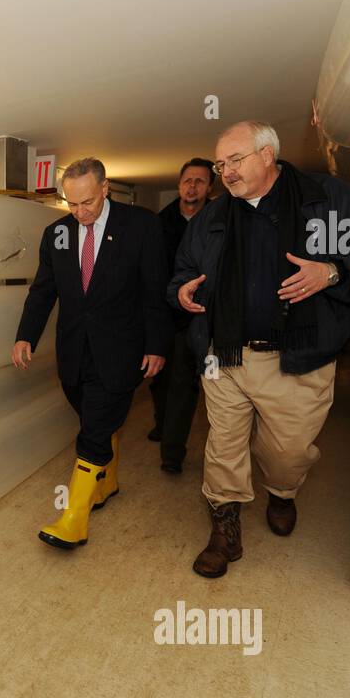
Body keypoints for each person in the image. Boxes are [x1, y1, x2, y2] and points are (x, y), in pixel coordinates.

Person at [167, 121, 350, 577]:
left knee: (287, 452)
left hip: (298, 358)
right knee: (224, 443)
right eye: (220, 164)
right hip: (224, 354)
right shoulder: (212, 217)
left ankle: (282, 492)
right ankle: (224, 525)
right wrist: (181, 292)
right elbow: (183, 270)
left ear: (268, 155)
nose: (225, 172)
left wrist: (330, 273)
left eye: (235, 160)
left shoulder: (325, 198)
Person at [12, 157, 170, 549]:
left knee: (95, 427)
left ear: (105, 188)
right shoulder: (57, 234)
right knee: (91, 416)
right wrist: (25, 336)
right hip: (74, 349)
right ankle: (108, 482)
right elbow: (43, 291)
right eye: (71, 204)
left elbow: (155, 290)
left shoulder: (142, 226)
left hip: (122, 348)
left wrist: (157, 344)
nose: (80, 212)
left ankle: (73, 519)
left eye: (87, 202)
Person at [150, 158, 214, 473]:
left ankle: (181, 454)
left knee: (201, 386)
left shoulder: (221, 221)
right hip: (170, 317)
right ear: (178, 185)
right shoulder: (160, 223)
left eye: (200, 181)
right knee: (167, 383)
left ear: (210, 187)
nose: (192, 187)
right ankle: (168, 441)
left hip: (207, 319)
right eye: (188, 180)